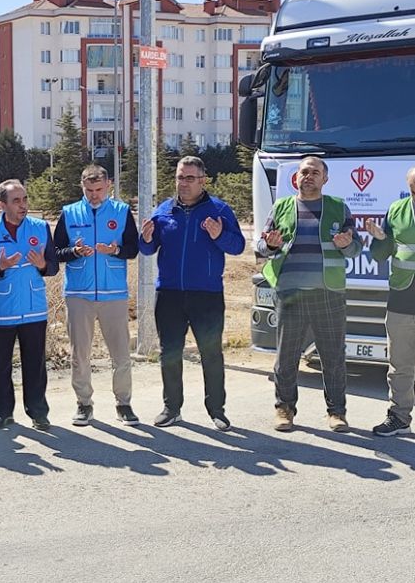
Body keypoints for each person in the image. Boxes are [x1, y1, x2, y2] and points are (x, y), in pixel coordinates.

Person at [139, 155, 245, 430]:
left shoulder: (219, 210)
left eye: (189, 178)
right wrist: (147, 239)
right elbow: (148, 249)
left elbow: (237, 247)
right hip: (170, 293)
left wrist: (219, 234)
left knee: (210, 353)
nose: (183, 183)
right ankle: (172, 408)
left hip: (206, 294)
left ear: (202, 180)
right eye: (179, 177)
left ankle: (217, 410)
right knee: (170, 352)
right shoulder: (163, 211)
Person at [257, 155, 362, 433]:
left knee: (333, 357)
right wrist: (270, 245)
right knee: (287, 356)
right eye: (304, 171)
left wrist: (345, 244)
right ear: (297, 177)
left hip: (328, 293)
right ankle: (284, 409)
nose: (309, 176)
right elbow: (262, 246)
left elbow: (356, 248)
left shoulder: (339, 208)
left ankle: (336, 412)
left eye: (315, 172)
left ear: (325, 179)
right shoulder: (282, 206)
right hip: (290, 293)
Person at [53, 165, 140, 426]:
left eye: (99, 190)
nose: (94, 195)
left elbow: (133, 249)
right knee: (80, 353)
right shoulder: (69, 213)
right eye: (89, 190)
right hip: (79, 294)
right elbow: (56, 253)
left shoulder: (122, 212)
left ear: (108, 186)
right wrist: (74, 252)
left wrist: (115, 250)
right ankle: (83, 404)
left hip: (114, 293)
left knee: (121, 353)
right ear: (82, 187)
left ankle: (123, 404)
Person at [0, 179, 58, 430]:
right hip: (2, 311)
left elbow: (53, 266)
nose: (23, 205)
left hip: (33, 308)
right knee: (0, 366)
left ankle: (38, 413)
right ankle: (3, 413)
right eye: (16, 201)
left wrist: (43, 264)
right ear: (2, 204)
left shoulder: (40, 228)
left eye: (25, 199)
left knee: (35, 364)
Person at [368, 167, 415, 436]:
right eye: (414, 189)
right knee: (400, 365)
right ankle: (399, 417)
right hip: (402, 299)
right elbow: (380, 255)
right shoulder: (396, 210)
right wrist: (381, 239)